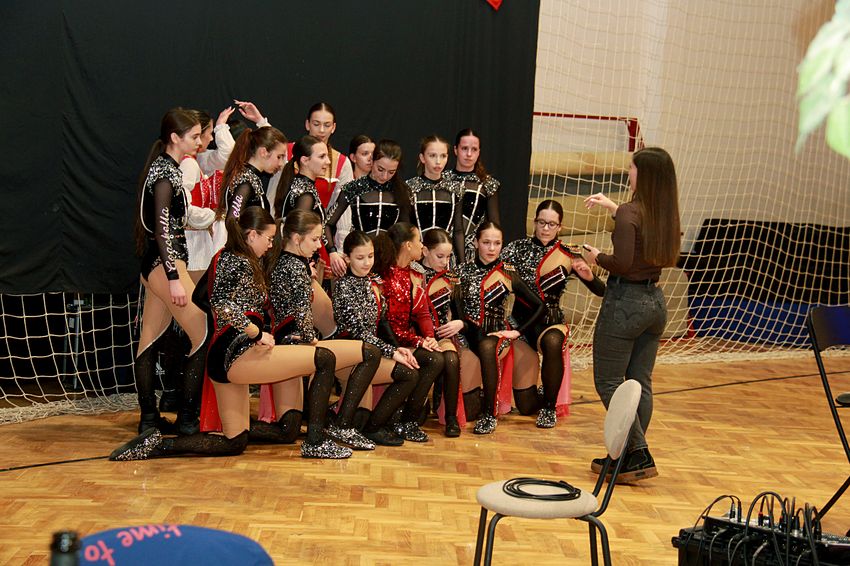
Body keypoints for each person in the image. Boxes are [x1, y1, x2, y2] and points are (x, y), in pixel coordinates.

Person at [111, 207, 352, 460]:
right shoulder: (237, 260)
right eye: (269, 239)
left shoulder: (230, 257)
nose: (271, 245)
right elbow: (221, 303)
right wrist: (255, 333)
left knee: (234, 441)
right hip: (235, 354)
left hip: (226, 354)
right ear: (252, 235)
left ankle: (155, 445)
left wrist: (234, 330)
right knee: (324, 358)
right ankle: (315, 442)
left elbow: (202, 296)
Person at [583, 146, 681, 482]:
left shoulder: (630, 212)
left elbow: (622, 263)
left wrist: (597, 257)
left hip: (625, 304)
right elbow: (638, 232)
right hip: (655, 304)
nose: (628, 172)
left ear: (645, 174)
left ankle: (637, 451)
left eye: (632, 167)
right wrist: (615, 208)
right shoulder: (665, 213)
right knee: (641, 382)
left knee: (608, 381)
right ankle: (629, 456)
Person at [268, 210, 380, 451]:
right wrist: (311, 339)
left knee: (288, 430)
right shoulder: (294, 266)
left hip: (288, 342)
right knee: (368, 353)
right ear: (296, 238)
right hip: (293, 344)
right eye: (315, 239)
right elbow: (301, 312)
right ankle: (332, 430)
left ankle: (326, 430)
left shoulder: (287, 262)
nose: (320, 245)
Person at [133, 108, 208, 436]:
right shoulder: (164, 174)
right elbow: (162, 230)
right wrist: (174, 278)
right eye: (194, 136)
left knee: (149, 339)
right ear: (175, 138)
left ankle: (149, 420)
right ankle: (188, 419)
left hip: (160, 265)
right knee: (203, 333)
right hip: (166, 264)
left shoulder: (167, 169)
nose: (199, 141)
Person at [501, 199, 606, 428]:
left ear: (560, 227)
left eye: (551, 224)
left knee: (552, 342)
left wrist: (589, 276)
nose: (545, 228)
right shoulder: (515, 249)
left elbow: (601, 291)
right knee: (526, 406)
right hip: (521, 325)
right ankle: (545, 391)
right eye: (541, 222)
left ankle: (549, 408)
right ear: (534, 222)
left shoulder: (569, 254)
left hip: (551, 323)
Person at [332, 231, 421, 446]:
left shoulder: (372, 283)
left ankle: (373, 427)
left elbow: (382, 322)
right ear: (347, 258)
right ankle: (343, 425)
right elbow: (357, 332)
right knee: (407, 373)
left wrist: (398, 348)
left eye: (370, 256)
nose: (366, 263)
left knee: (410, 373)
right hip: (350, 354)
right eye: (360, 258)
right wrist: (391, 352)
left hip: (371, 351)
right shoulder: (343, 286)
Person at [456, 222, 544, 434]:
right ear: (475, 243)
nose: (492, 248)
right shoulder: (461, 271)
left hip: (495, 335)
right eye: (486, 242)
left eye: (497, 243)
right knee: (469, 412)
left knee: (487, 347)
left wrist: (517, 331)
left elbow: (539, 306)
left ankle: (490, 414)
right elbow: (456, 309)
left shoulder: (507, 273)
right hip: (467, 335)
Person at [372, 223, 446, 442]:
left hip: (405, 340)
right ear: (407, 245)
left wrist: (429, 337)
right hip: (387, 342)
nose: (422, 245)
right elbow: (389, 324)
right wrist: (419, 341)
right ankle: (398, 420)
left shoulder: (413, 273)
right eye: (419, 241)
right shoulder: (385, 275)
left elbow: (423, 312)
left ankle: (408, 421)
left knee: (436, 358)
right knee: (431, 360)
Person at [420, 228, 483, 437]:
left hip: (441, 336)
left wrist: (459, 323)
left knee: (452, 359)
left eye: (448, 257)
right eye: (440, 256)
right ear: (425, 251)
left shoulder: (452, 279)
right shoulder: (413, 275)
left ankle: (451, 417)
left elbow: (462, 315)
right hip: (416, 337)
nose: (445, 262)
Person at [325, 139, 412, 277]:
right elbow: (327, 224)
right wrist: (332, 252)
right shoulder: (353, 188)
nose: (384, 176)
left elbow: (407, 232)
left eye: (391, 172)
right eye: (380, 169)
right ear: (372, 161)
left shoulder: (402, 191)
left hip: (390, 265)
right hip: (359, 264)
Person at [446, 129, 501, 262]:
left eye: (474, 149)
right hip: (443, 251)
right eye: (464, 148)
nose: (469, 154)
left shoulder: (487, 184)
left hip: (473, 254)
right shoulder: (443, 180)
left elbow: (494, 224)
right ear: (455, 150)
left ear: (479, 152)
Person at [217, 127, 288, 220]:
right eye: (279, 157)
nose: (281, 163)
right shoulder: (245, 182)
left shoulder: (251, 179)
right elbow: (232, 221)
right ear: (263, 152)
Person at [406, 135, 456, 237]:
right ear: (422, 158)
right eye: (432, 155)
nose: (438, 162)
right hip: (417, 245)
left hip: (447, 246)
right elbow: (406, 228)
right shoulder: (409, 188)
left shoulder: (455, 189)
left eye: (443, 156)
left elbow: (458, 230)